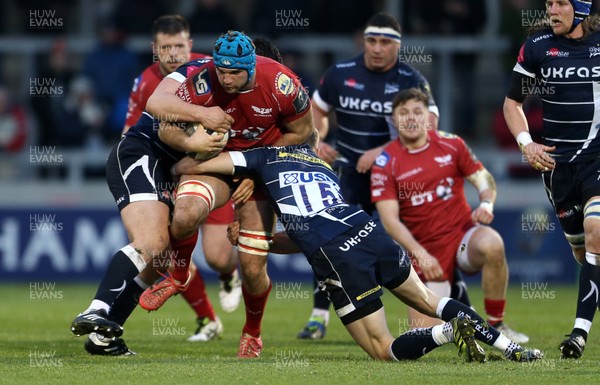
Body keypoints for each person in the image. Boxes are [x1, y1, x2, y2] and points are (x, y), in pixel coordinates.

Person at [168, 129, 544, 363]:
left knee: (383, 350)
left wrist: (190, 153)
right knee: (430, 300)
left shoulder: (263, 156)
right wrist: (266, 238)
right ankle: (511, 349)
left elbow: (191, 167)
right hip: (368, 230)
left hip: (338, 254)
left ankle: (446, 333)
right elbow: (303, 230)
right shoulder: (321, 165)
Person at [114, 30, 314, 358]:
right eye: (222, 70)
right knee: (185, 213)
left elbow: (304, 132)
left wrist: (256, 167)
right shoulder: (203, 79)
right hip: (217, 164)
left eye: (234, 71)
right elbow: (164, 123)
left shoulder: (281, 83)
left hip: (259, 171)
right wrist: (192, 142)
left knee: (251, 269)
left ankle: (252, 331)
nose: (226, 78)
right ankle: (179, 274)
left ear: (251, 67)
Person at [298, 11, 439, 340]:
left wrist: (383, 151)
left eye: (385, 42)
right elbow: (315, 111)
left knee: (411, 240)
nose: (376, 48)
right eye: (371, 41)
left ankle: (428, 313)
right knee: (328, 241)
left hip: (398, 175)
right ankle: (319, 315)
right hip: (348, 173)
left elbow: (430, 126)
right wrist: (317, 140)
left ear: (397, 45)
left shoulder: (412, 80)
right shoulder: (340, 73)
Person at [370, 88, 529, 344]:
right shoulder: (385, 162)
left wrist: (486, 204)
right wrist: (420, 254)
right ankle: (462, 310)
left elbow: (484, 179)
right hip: (423, 250)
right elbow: (390, 221)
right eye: (403, 113)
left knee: (492, 243)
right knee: (424, 335)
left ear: (427, 117)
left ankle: (496, 323)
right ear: (394, 119)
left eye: (417, 112)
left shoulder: (451, 144)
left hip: (460, 236)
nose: (410, 118)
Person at [121, 14, 242, 343]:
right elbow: (131, 131)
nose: (173, 53)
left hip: (210, 168)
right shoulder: (146, 83)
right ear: (154, 50)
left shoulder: (211, 71)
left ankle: (230, 272)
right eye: (166, 47)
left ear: (189, 45)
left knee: (217, 256)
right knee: (164, 251)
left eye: (178, 45)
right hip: (169, 173)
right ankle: (207, 320)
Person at [503, 0, 600, 359]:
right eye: (548, 3)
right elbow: (512, 103)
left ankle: (578, 333)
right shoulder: (537, 46)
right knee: (583, 250)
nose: (552, 10)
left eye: (561, 3)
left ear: (581, 8)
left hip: (597, 159)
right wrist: (526, 145)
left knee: (596, 232)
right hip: (557, 168)